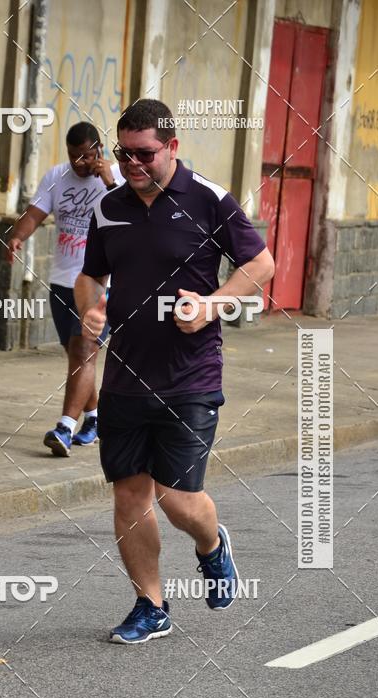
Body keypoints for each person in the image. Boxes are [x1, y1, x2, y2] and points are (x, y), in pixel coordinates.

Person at [74, 99, 275, 644]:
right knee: (129, 494)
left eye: (145, 154)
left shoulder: (209, 201)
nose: (133, 163)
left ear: (172, 148)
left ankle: (212, 545)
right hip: (124, 379)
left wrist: (213, 305)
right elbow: (90, 277)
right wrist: (92, 309)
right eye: (124, 153)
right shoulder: (108, 207)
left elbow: (261, 264)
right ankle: (150, 604)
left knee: (177, 497)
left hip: (190, 377)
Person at [5, 122, 123, 457]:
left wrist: (109, 181)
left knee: (84, 349)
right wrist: (17, 237)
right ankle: (95, 418)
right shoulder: (56, 176)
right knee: (76, 356)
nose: (80, 163)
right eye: (74, 157)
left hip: (102, 283)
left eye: (86, 156)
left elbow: (128, 216)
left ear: (99, 150)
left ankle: (64, 428)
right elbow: (35, 213)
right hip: (62, 281)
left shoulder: (118, 180)